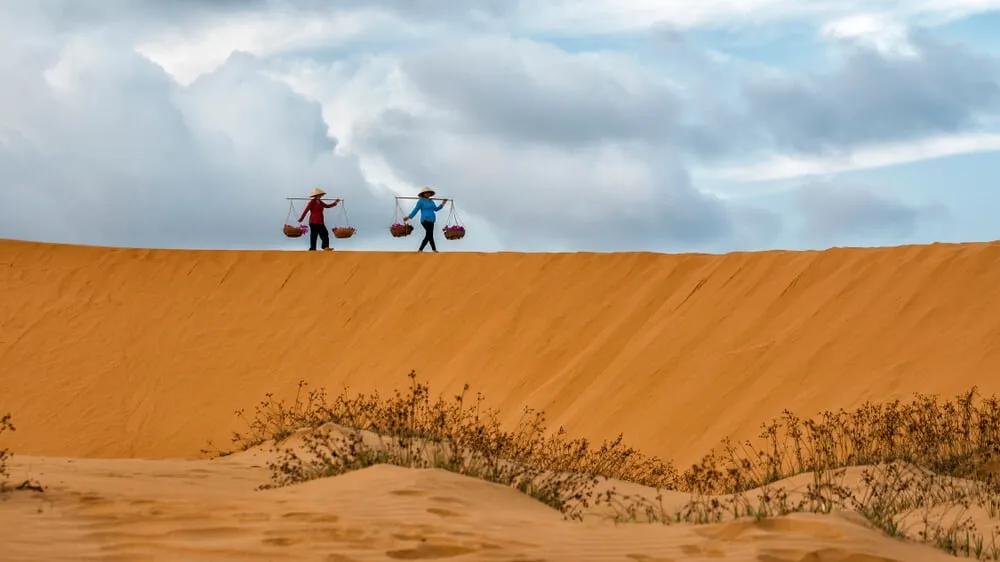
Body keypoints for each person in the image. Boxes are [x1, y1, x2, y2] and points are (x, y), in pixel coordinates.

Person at [405, 186, 448, 252]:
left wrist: (443, 203)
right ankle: (423, 249)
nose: (427, 194)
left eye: (429, 193)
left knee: (430, 235)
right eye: (426, 193)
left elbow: (436, 209)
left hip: (432, 220)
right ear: (423, 194)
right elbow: (415, 210)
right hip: (425, 220)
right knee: (429, 234)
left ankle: (431, 249)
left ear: (430, 194)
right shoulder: (420, 201)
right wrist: (409, 217)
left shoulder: (432, 202)